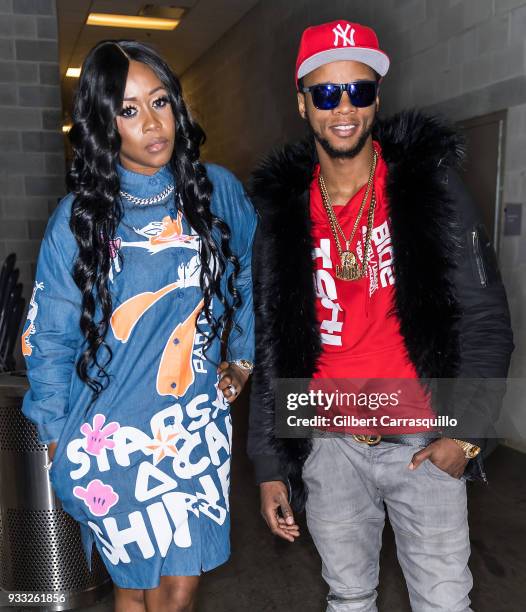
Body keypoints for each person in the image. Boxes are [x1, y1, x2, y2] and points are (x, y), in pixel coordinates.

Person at [248, 20, 513, 612]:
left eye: (359, 90)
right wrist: (270, 464)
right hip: (328, 442)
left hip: (424, 437)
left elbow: (486, 320)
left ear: (377, 99)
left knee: (444, 604)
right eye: (325, 92)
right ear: (302, 103)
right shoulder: (283, 214)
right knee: (348, 598)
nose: (344, 107)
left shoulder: (428, 188)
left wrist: (467, 435)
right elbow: (271, 342)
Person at [22, 40, 256, 612]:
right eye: (129, 111)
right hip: (111, 434)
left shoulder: (217, 190)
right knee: (136, 586)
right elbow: (48, 336)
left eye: (159, 102)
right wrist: (57, 439)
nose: (153, 123)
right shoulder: (79, 218)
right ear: (105, 123)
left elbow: (252, 273)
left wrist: (243, 355)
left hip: (194, 424)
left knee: (180, 586)